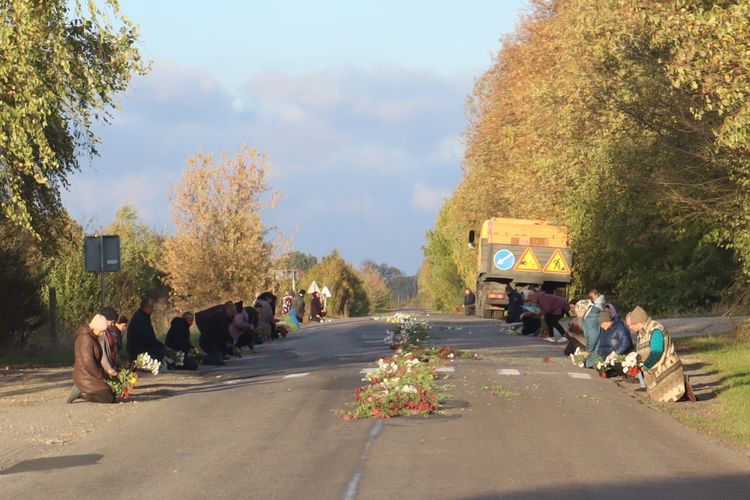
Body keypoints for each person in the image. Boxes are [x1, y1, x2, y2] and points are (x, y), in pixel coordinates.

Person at [626, 306, 687, 402]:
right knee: (657, 399)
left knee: (669, 398)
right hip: (655, 372)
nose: (630, 327)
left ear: (641, 322)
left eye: (633, 324)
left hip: (667, 371)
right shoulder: (642, 332)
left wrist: (644, 366)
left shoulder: (656, 330)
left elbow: (657, 352)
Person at [68, 314, 116, 404]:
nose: (103, 334)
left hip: (91, 375)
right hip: (85, 376)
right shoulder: (85, 339)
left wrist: (107, 371)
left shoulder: (93, 337)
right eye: (102, 331)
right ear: (95, 328)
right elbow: (89, 363)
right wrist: (101, 376)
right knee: (108, 398)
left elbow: (99, 358)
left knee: (113, 393)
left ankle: (84, 392)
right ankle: (82, 392)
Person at [572, 299, 602, 368]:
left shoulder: (590, 319)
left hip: (598, 345)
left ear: (583, 310)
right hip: (597, 344)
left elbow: (593, 337)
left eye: (578, 313)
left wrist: (588, 351)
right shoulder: (590, 314)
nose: (577, 315)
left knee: (590, 364)